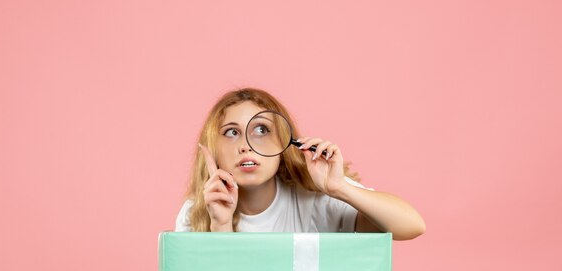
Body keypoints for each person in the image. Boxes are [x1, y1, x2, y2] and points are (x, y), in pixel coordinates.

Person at [175, 87, 426, 240]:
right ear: (213, 147)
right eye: (231, 133)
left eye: (261, 129)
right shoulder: (195, 213)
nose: (246, 145)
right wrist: (220, 225)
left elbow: (412, 225)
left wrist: (340, 188)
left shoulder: (315, 198)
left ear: (284, 141)